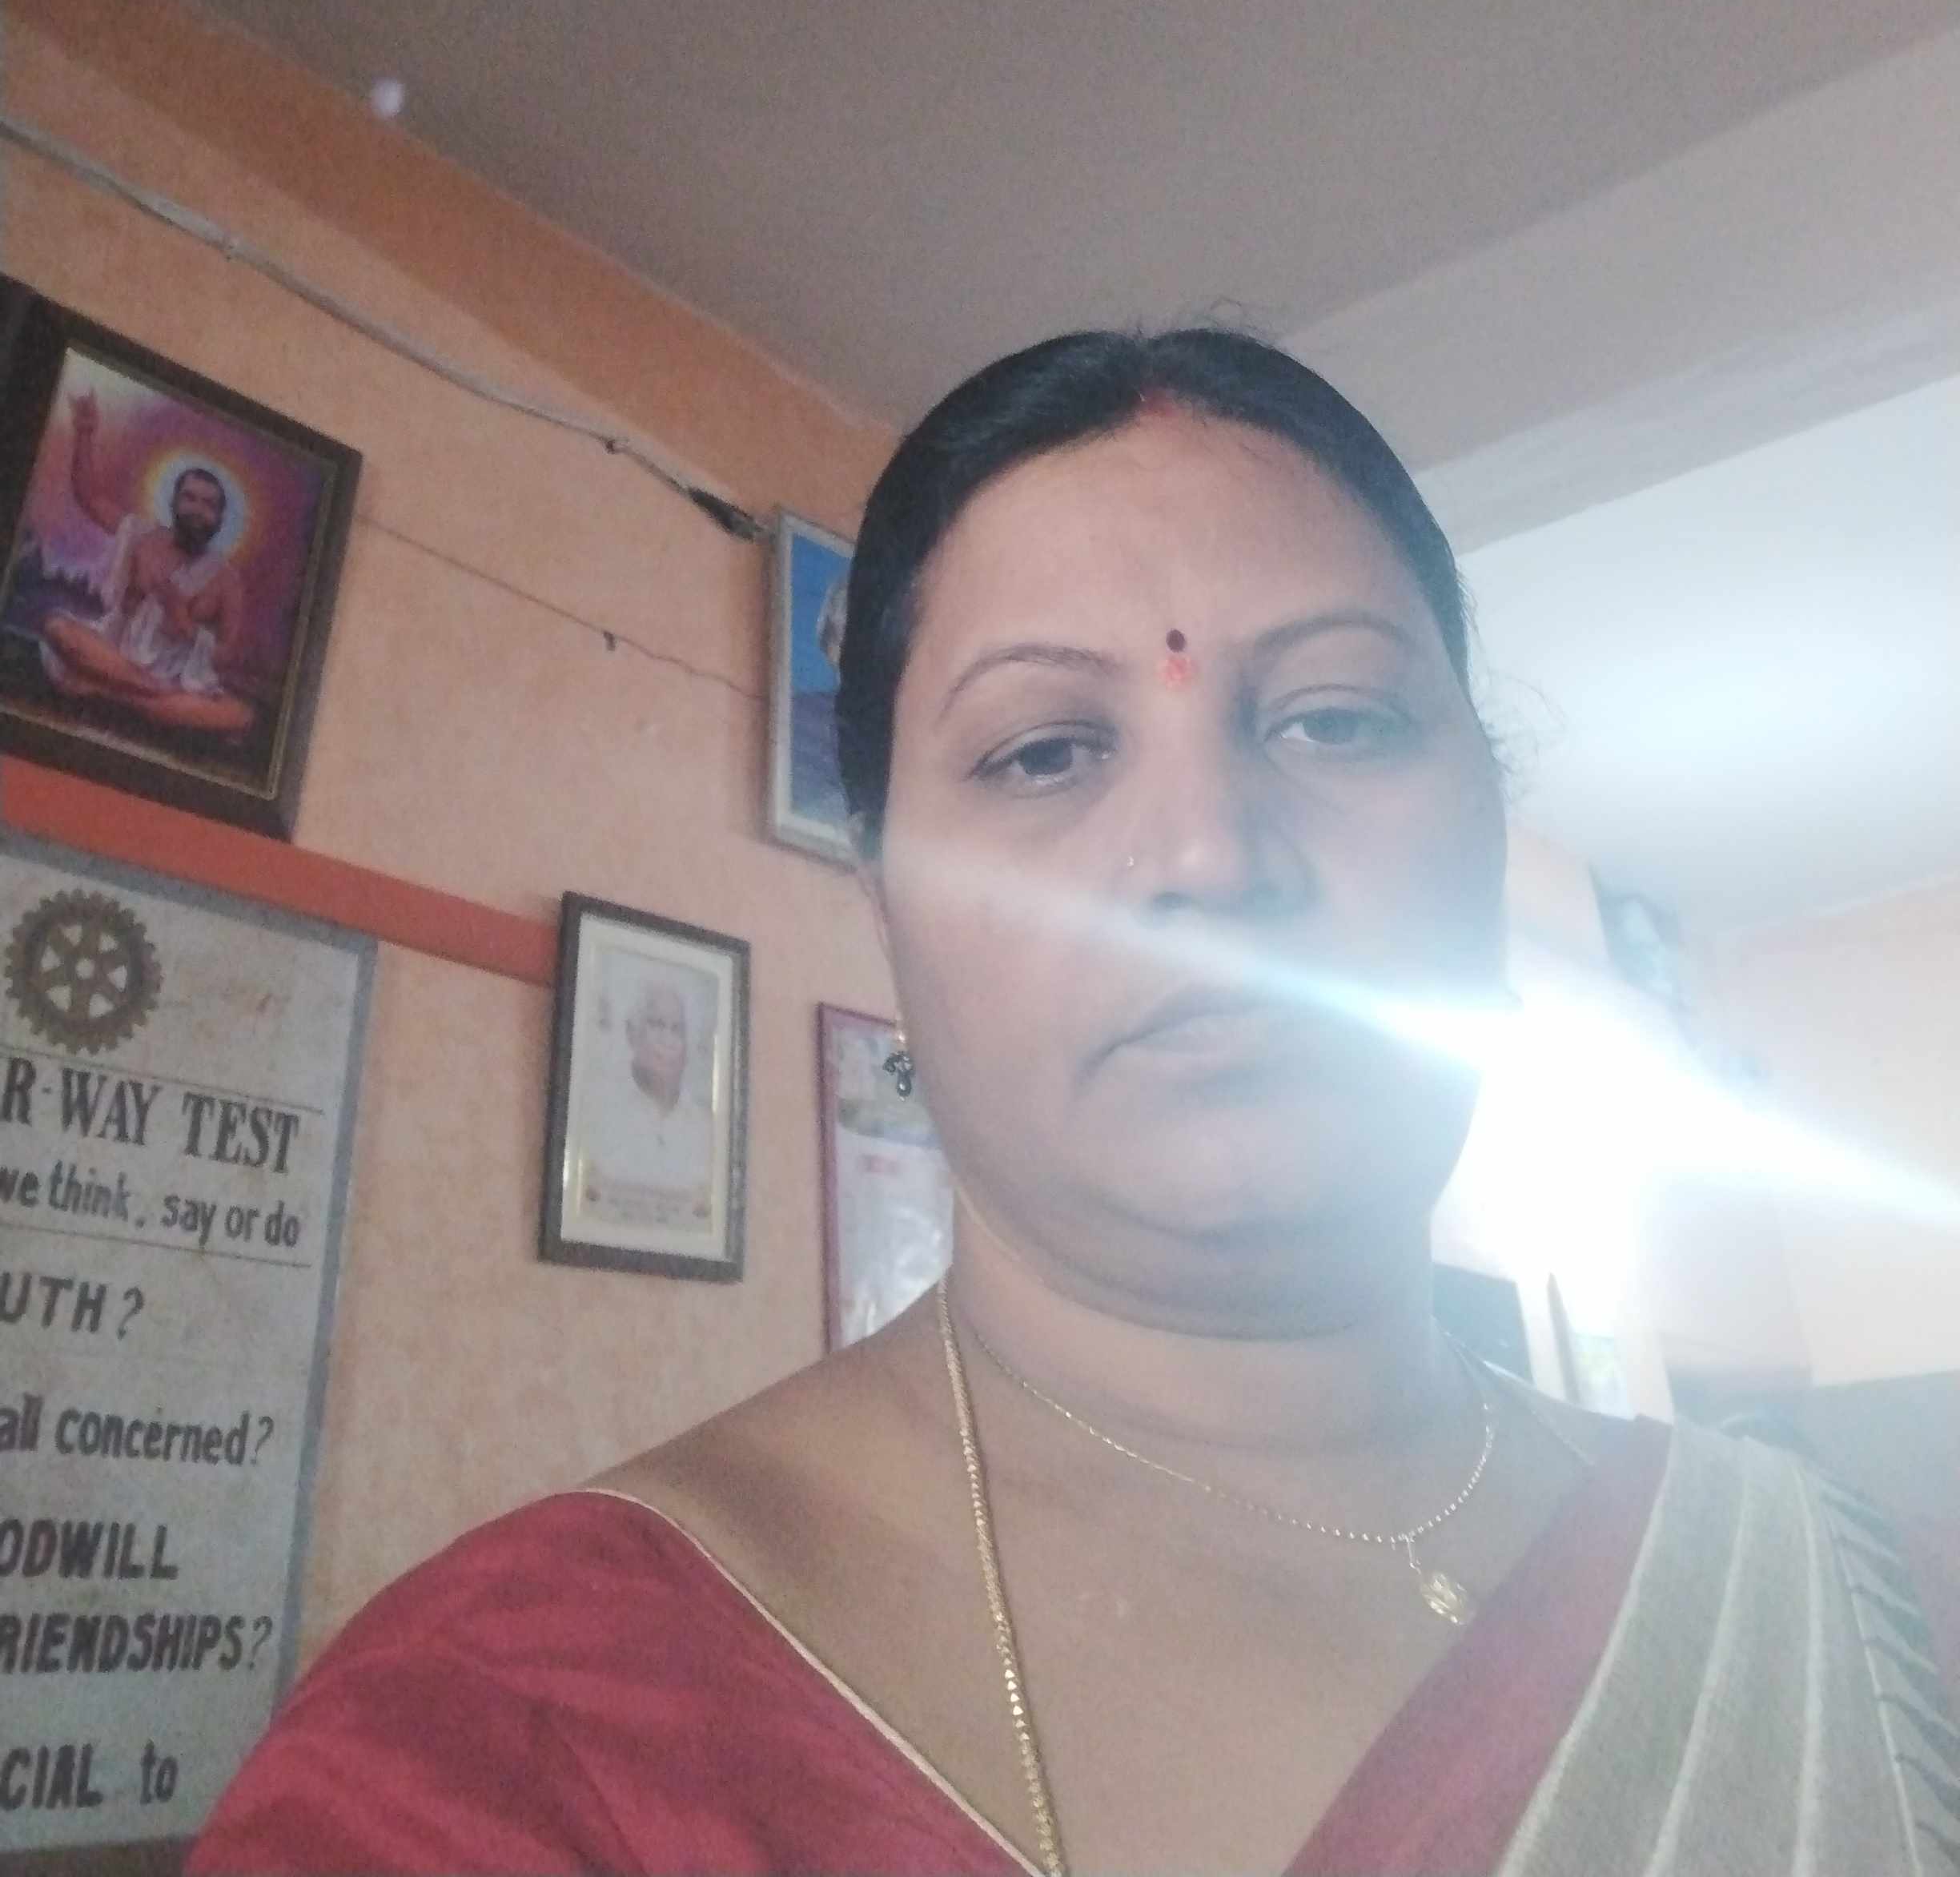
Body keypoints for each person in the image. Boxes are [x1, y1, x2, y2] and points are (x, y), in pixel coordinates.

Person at [193, 328, 1959, 1875]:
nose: (1207, 854)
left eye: (1336, 720)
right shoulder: (512, 1737)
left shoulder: (1866, 1613)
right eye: (1043, 749)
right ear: (884, 903)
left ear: (1487, 826)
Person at [39, 389, 255, 738]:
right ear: (174, 503)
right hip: (112, 654)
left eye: (209, 504)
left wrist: (184, 622)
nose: (198, 510)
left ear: (220, 517)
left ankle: (112, 692)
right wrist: (85, 431)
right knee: (58, 629)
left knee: (240, 715)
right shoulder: (142, 536)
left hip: (174, 675)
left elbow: (228, 654)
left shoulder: (226, 580)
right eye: (190, 498)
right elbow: (88, 496)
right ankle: (149, 698)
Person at [576, 971, 717, 1233]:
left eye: (677, 1030)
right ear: (632, 1033)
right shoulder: (599, 1109)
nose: (667, 1040)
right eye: (656, 1025)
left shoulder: (705, 1127)